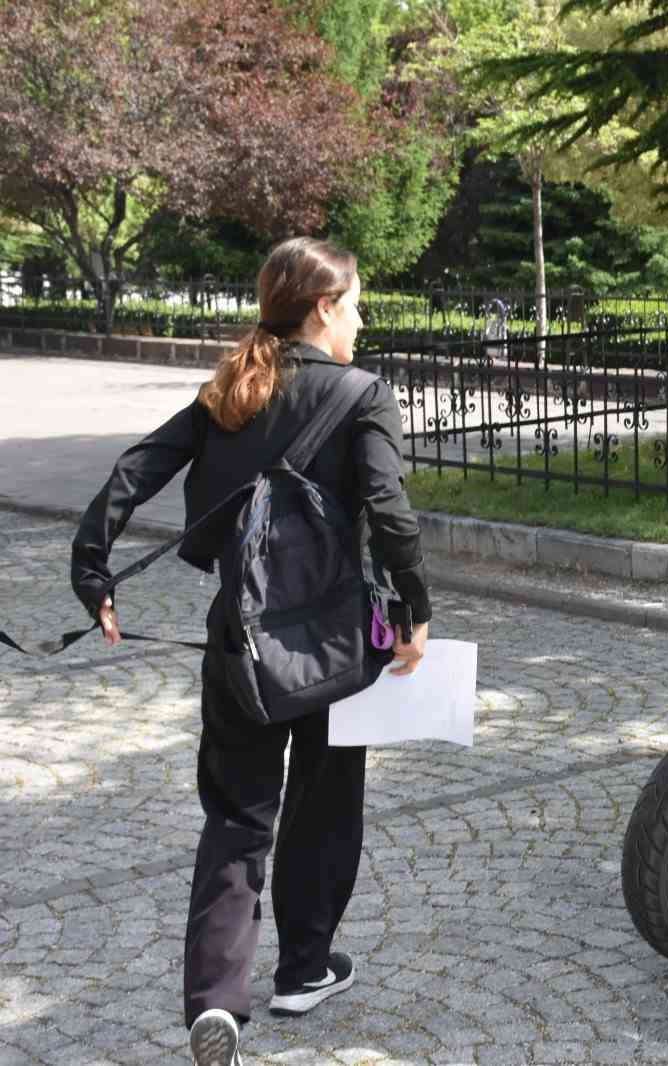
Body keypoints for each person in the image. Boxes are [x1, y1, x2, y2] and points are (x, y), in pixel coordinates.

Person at [70, 237, 433, 1066]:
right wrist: (414, 613)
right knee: (326, 802)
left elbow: (134, 471)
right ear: (324, 307)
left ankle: (218, 1003)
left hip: (238, 642)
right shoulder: (362, 393)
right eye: (358, 304)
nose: (363, 320)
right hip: (338, 644)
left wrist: (93, 571)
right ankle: (303, 968)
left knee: (236, 818)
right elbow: (390, 509)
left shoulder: (230, 391)